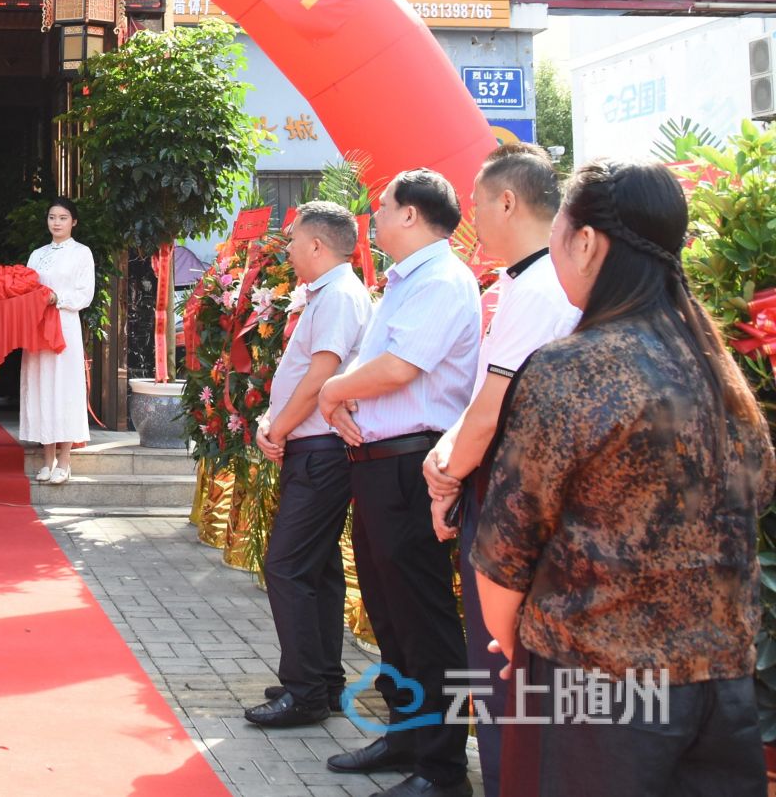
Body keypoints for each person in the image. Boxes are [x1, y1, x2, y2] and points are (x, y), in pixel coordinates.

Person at [473, 160, 774, 796]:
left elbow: (504, 554)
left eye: (559, 229)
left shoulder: (571, 369)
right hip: (720, 690)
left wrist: (521, 649)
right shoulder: (718, 370)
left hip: (599, 698)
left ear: (586, 242)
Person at [420, 143, 579, 797]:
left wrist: (446, 475)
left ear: (508, 202)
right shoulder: (525, 283)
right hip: (507, 491)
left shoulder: (540, 289)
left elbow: (491, 412)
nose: (473, 218)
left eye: (478, 203)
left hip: (513, 501)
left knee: (504, 671)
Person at [316, 168, 480, 797]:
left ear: (411, 214)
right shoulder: (408, 280)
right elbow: (376, 364)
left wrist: (332, 392)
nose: (375, 214)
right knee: (390, 611)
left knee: (423, 618)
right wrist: (342, 399)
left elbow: (399, 367)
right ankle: (407, 738)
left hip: (413, 465)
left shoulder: (442, 279)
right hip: (380, 462)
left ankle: (442, 768)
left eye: (382, 205)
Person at [246, 201, 372, 730]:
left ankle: (305, 693)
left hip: (321, 450)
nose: (289, 252)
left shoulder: (339, 294)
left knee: (287, 566)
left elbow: (322, 376)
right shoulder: (329, 292)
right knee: (316, 569)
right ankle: (321, 680)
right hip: (313, 446)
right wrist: (274, 422)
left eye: (294, 242)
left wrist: (277, 427)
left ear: (317, 245)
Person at [20, 196, 94, 485]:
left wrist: (56, 297)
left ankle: (65, 460)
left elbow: (85, 293)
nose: (57, 223)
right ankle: (47, 458)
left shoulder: (82, 253)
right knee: (41, 386)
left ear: (74, 221)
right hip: (38, 326)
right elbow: (26, 288)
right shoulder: (37, 254)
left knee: (65, 388)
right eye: (52, 217)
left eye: (63, 218)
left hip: (64, 324)